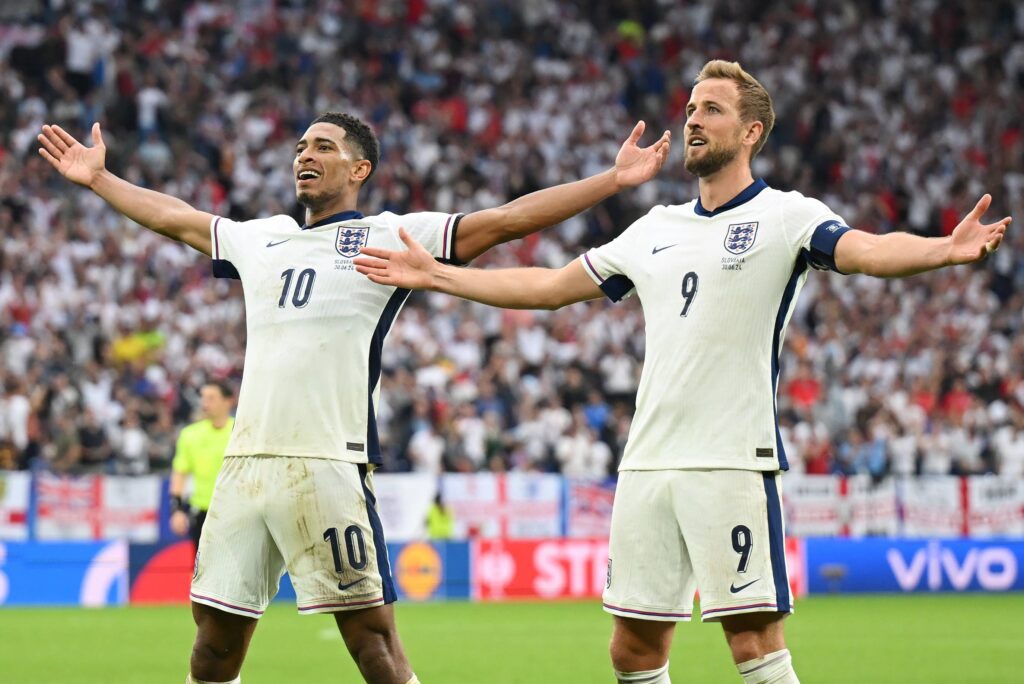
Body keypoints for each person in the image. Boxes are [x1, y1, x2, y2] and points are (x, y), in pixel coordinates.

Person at [354, 59, 1012, 684]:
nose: (693, 119)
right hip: (647, 463)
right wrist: (437, 274)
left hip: (729, 459)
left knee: (753, 640)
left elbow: (865, 250)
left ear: (750, 132)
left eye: (713, 109)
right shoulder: (655, 228)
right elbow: (552, 287)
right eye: (692, 107)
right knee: (633, 646)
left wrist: (942, 251)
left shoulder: (786, 215)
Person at [37, 112, 670, 684]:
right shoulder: (264, 238)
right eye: (300, 146)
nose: (303, 156)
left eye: (323, 146)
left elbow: (504, 222)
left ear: (359, 168)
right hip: (245, 466)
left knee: (373, 646)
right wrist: (100, 179)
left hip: (327, 466)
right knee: (213, 644)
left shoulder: (391, 235)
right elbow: (173, 216)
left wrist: (610, 181)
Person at [170, 381, 235, 552]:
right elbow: (179, 473)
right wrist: (176, 509)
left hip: (237, 512)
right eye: (203, 398)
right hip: (202, 512)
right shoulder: (189, 434)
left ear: (228, 401)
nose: (205, 403)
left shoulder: (240, 431)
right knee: (202, 571)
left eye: (211, 398)